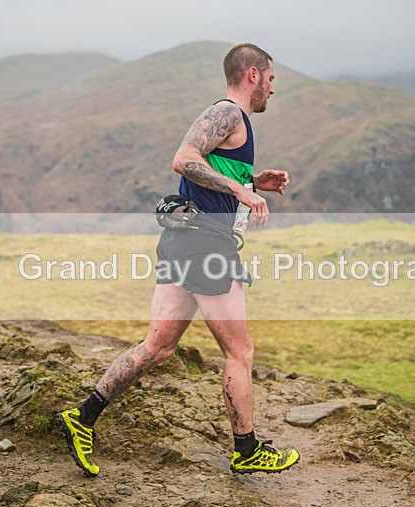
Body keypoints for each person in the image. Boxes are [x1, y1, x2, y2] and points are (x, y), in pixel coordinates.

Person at [55, 43, 299, 476]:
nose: (273, 90)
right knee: (240, 351)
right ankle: (247, 449)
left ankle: (83, 415)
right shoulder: (228, 113)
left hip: (184, 241)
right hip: (205, 245)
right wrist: (243, 192)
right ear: (253, 76)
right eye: (272, 80)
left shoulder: (233, 124)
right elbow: (184, 160)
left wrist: (252, 180)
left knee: (159, 348)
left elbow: (210, 170)